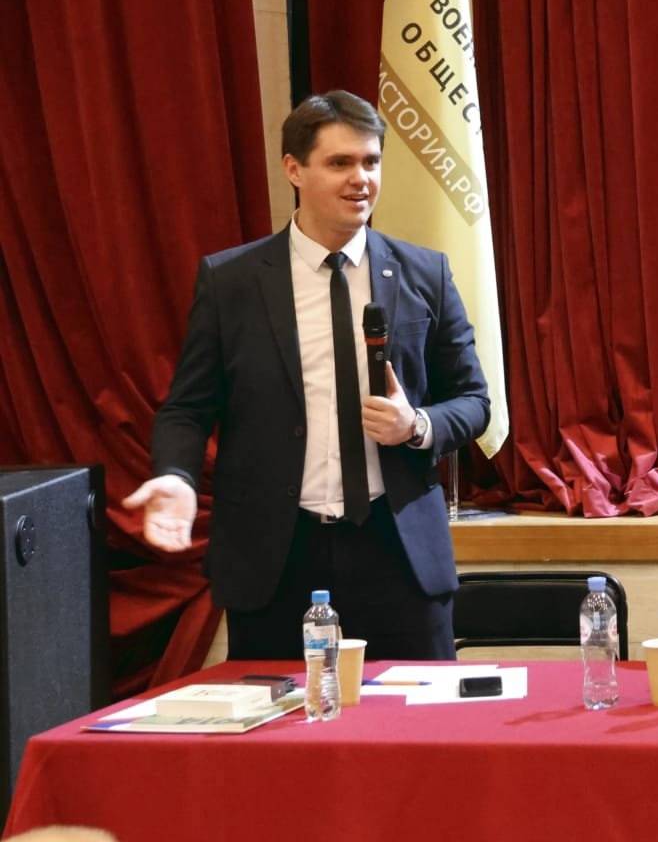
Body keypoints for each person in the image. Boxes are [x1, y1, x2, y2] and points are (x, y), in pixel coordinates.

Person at [124, 90, 490, 660]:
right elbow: (187, 408)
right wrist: (176, 475)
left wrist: (416, 425)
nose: (360, 179)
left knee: (414, 717)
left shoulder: (425, 272)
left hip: (397, 551)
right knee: (280, 718)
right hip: (277, 554)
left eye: (371, 162)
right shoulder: (233, 281)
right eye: (340, 163)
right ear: (294, 169)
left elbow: (473, 400)